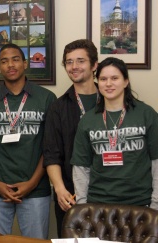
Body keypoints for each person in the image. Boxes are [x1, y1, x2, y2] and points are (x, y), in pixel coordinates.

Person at [0, 43, 56, 239]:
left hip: (36, 191)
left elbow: (50, 149)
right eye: (4, 61)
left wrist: (31, 183)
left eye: (15, 59)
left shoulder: (46, 98)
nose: (10, 65)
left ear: (25, 63)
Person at [71, 57, 158, 210]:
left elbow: (156, 162)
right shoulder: (88, 120)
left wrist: (155, 204)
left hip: (140, 203)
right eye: (103, 79)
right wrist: (82, 207)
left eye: (115, 78)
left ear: (126, 81)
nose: (109, 84)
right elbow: (81, 168)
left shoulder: (146, 114)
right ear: (98, 82)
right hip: (98, 204)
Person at [43, 39, 99, 237]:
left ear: (94, 65)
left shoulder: (112, 99)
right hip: (71, 195)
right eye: (69, 62)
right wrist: (59, 189)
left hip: (110, 192)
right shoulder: (58, 108)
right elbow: (51, 154)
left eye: (80, 61)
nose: (74, 67)